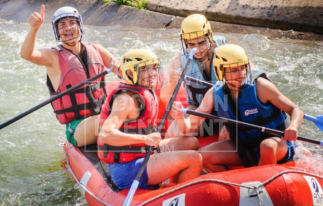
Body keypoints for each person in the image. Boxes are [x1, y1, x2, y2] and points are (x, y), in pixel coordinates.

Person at [171, 44, 303, 172]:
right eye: (234, 70)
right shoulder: (214, 93)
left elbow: (295, 110)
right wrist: (179, 118)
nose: (241, 74)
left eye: (243, 68)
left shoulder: (261, 87)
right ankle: (233, 183)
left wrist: (293, 127)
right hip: (244, 147)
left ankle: (260, 181)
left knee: (267, 147)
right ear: (220, 70)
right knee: (201, 157)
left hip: (276, 144)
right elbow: (190, 125)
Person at [97, 49, 202, 189]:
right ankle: (174, 195)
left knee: (191, 143)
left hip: (141, 154)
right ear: (130, 73)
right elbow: (106, 134)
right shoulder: (125, 100)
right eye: (145, 69)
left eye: (153, 68)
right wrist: (145, 139)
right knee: (195, 160)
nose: (152, 73)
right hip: (127, 170)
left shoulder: (141, 90)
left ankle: (172, 186)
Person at [20, 5, 121, 147]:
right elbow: (27, 55)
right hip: (77, 127)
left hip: (103, 115)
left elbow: (123, 71)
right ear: (58, 32)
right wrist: (34, 29)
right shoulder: (53, 57)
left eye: (72, 23)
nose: (68, 28)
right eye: (62, 25)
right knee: (108, 118)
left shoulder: (95, 49)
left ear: (80, 26)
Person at [161, 13, 227, 139]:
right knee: (172, 135)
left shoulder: (227, 50)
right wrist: (172, 84)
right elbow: (164, 95)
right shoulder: (179, 59)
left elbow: (252, 77)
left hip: (227, 111)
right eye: (191, 45)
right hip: (198, 109)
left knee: (227, 136)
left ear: (210, 36)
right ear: (185, 42)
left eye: (201, 42)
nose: (197, 49)